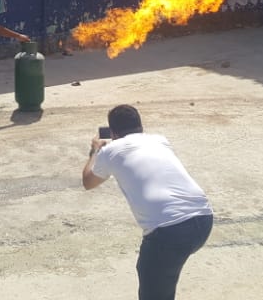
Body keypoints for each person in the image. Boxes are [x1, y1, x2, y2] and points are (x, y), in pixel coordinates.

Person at [82, 105, 213, 300]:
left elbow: (88, 182)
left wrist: (94, 151)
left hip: (168, 232)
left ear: (113, 133)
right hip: (203, 220)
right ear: (140, 126)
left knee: (154, 291)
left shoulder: (109, 151)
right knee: (159, 277)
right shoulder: (160, 140)